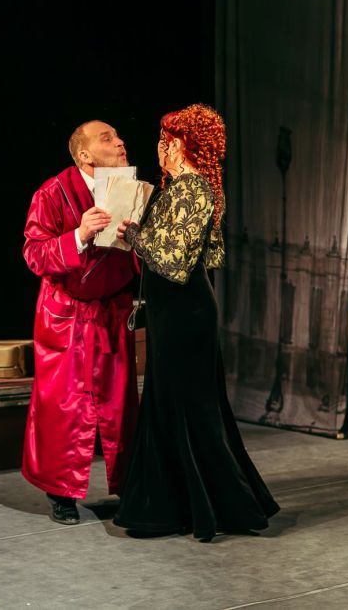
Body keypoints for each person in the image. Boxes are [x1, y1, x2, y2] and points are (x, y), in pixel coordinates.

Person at [113, 103, 279, 541]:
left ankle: (214, 507)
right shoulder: (178, 188)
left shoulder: (194, 189)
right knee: (171, 405)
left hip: (185, 312)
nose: (160, 147)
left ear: (185, 144)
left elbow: (174, 261)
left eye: (167, 139)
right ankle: (178, 506)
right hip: (171, 310)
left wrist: (134, 235)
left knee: (190, 408)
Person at [22, 120, 140, 525]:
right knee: (64, 406)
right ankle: (60, 493)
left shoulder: (131, 190)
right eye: (107, 138)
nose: (120, 142)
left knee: (119, 404)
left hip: (111, 310)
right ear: (85, 154)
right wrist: (78, 235)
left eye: (118, 136)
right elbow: (34, 253)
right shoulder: (53, 192)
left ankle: (128, 486)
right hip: (67, 313)